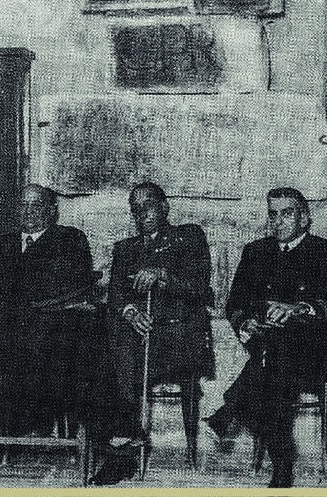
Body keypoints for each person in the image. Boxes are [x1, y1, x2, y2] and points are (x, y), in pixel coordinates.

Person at [204, 187, 327, 488]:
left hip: (317, 350)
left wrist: (297, 309)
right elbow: (235, 304)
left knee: (278, 352)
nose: (278, 222)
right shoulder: (256, 252)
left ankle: (230, 411)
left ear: (305, 218)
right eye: (273, 214)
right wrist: (246, 323)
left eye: (287, 214)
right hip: (266, 350)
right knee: (273, 364)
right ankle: (281, 464)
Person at [89, 182, 214, 485]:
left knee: (117, 354)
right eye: (135, 207)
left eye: (148, 204)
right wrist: (131, 313)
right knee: (105, 342)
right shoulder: (125, 249)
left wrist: (163, 276)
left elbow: (201, 289)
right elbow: (117, 298)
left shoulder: (189, 237)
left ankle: (123, 443)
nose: (141, 212)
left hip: (179, 340)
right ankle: (124, 442)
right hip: (139, 342)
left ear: (164, 207)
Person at [0, 184, 96, 438]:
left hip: (48, 331)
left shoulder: (69, 239)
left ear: (51, 210)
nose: (28, 211)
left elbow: (68, 286)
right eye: (23, 205)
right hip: (3, 332)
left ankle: (30, 425)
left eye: (36, 205)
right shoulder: (1, 245)